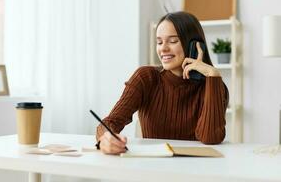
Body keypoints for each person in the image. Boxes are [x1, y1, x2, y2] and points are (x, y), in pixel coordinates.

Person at [96, 11, 229, 154]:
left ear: (195, 46)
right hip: (154, 169)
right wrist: (106, 138)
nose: (163, 48)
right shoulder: (146, 78)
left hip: (195, 170)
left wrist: (213, 76)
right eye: (159, 42)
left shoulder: (213, 86)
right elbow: (112, 121)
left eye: (172, 41)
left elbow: (210, 138)